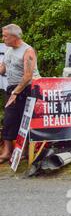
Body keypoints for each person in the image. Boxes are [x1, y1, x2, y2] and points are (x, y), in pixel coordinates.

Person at [0, 24, 40, 164]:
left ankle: (22, 151)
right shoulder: (8, 50)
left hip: (27, 89)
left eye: (5, 36)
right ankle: (6, 151)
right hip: (12, 88)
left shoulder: (27, 51)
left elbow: (28, 76)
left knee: (25, 120)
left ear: (14, 36)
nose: (3, 38)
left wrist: (16, 93)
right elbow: (2, 69)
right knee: (9, 120)